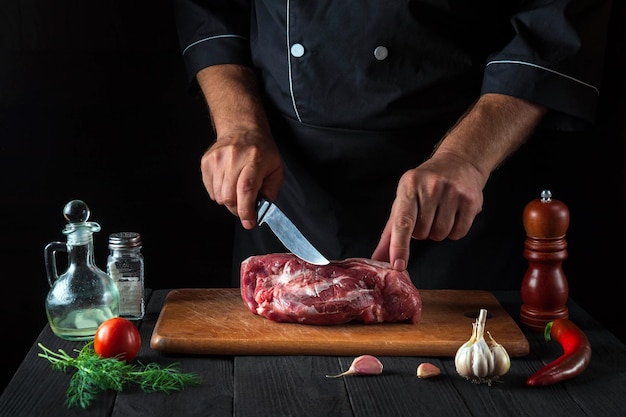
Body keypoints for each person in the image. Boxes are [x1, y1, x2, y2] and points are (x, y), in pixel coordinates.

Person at [172, 1, 612, 288]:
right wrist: (239, 126)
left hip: (453, 193)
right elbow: (211, 9)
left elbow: (555, 22)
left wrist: (465, 158)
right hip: (285, 187)